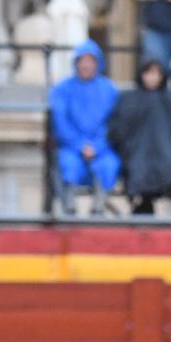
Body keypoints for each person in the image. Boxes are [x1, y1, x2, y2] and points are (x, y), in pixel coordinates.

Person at [50, 39, 121, 216]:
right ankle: (69, 209)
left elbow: (114, 122)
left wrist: (97, 146)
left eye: (90, 61)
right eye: (82, 60)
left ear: (98, 63)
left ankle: (98, 209)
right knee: (68, 164)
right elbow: (60, 121)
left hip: (102, 148)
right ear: (76, 63)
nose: (86, 65)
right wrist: (80, 145)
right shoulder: (62, 89)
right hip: (71, 147)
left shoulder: (109, 89)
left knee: (108, 165)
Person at [110, 57, 171, 215]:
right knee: (139, 169)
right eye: (148, 73)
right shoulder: (129, 98)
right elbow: (119, 129)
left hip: (165, 156)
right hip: (135, 154)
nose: (152, 78)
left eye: (156, 73)